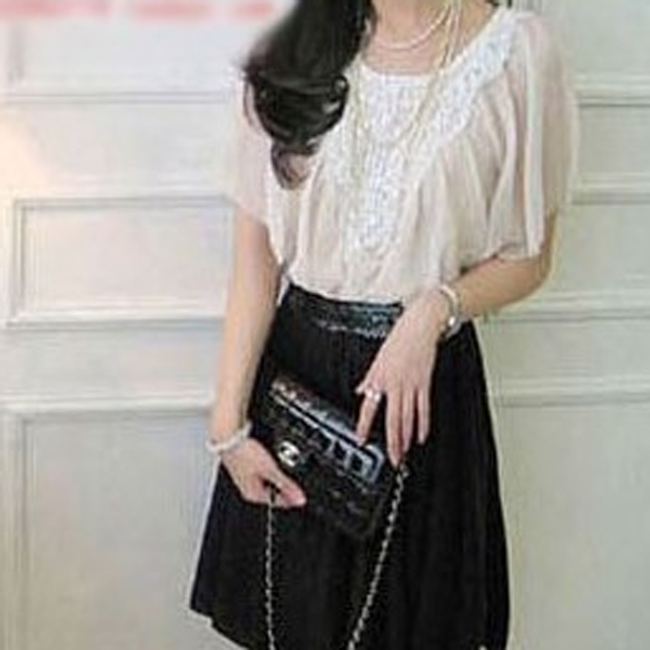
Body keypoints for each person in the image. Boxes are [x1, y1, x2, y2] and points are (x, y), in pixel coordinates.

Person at [188, 0, 579, 648]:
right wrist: (227, 429)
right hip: (298, 393)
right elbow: (255, 260)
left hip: (421, 396)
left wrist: (433, 311)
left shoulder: (517, 54)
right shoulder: (294, 44)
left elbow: (530, 258)